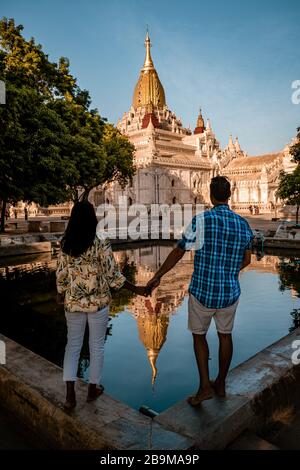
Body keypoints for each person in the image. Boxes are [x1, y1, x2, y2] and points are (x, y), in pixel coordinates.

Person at [147, 176, 253, 406]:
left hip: (202, 291)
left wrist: (158, 275)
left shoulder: (201, 220)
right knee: (226, 336)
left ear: (211, 195)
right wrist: (229, 271)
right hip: (229, 292)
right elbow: (247, 259)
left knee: (199, 337)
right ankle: (221, 383)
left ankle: (205, 386)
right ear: (230, 194)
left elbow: (178, 252)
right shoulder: (243, 224)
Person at [56, 200, 149, 410]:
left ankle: (70, 396)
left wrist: (61, 293)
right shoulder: (100, 242)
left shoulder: (65, 244)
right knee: (96, 346)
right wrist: (137, 290)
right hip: (98, 303)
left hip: (73, 303)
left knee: (73, 346)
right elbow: (113, 276)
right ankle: (92, 389)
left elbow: (61, 274)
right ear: (92, 219)